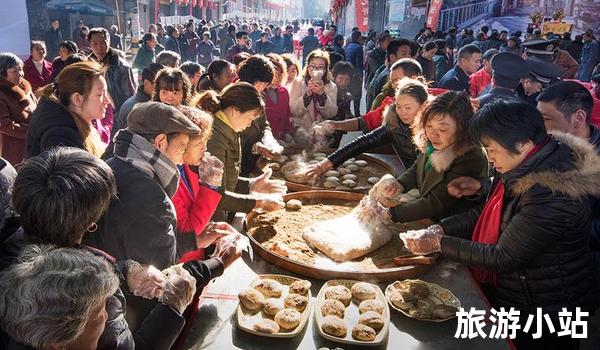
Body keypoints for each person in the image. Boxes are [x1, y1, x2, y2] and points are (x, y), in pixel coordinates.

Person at [403, 100, 599, 349]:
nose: (490, 157)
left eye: (492, 149)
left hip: (549, 309)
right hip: (518, 293)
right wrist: (442, 228)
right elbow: (488, 213)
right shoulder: (525, 163)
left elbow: (503, 256)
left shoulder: (552, 192)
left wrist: (440, 243)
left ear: (523, 144)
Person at [1, 147, 199, 349]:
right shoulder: (90, 299)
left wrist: (124, 270)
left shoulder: (9, 252)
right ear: (90, 223)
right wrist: (172, 306)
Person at [200, 83, 286, 222]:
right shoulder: (214, 137)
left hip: (218, 214)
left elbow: (225, 178)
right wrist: (258, 202)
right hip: (208, 219)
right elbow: (214, 193)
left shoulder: (228, 129)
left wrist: (251, 185)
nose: (251, 124)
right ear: (235, 110)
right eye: (251, 117)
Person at [309, 78, 429, 176]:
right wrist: (327, 163)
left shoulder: (433, 129)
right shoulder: (394, 124)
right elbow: (363, 142)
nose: (402, 112)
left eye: (408, 108)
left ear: (423, 106)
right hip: (411, 177)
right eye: (398, 106)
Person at [172, 106, 225, 257]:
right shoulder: (168, 181)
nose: (205, 148)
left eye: (206, 142)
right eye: (199, 144)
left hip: (196, 253)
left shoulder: (188, 167)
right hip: (182, 261)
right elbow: (189, 230)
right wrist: (210, 186)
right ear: (182, 144)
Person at [26, 61, 107, 158]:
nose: (107, 101)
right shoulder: (61, 139)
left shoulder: (71, 124)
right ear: (77, 99)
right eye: (100, 94)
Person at [104, 63, 164, 159]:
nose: (162, 89)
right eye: (158, 85)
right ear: (146, 83)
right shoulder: (134, 108)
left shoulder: (155, 101)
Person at [236, 56, 283, 176]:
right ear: (258, 83)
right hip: (236, 162)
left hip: (253, 161)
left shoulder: (258, 96)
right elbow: (233, 137)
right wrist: (257, 147)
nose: (265, 88)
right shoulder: (233, 98)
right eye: (265, 84)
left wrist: (269, 141)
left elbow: (264, 124)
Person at [289, 49, 338, 141]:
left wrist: (322, 94)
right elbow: (293, 111)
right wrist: (307, 93)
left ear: (325, 69)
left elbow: (331, 113)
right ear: (308, 68)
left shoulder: (331, 86)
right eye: (313, 66)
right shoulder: (298, 82)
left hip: (321, 134)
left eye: (321, 67)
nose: (316, 70)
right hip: (300, 132)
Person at [0, 53, 37, 166]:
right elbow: (5, 125)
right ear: (2, 73)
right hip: (14, 149)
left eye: (20, 69)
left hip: (34, 144)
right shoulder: (2, 93)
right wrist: (31, 130)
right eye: (14, 71)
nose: (20, 74)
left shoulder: (25, 88)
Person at [88, 27, 135, 113]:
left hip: (116, 115)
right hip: (93, 115)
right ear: (90, 45)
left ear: (109, 42)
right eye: (95, 43)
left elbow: (129, 97)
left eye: (103, 43)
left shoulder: (122, 67)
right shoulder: (86, 65)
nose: (99, 47)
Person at [367, 38, 414, 110]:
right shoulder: (388, 77)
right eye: (404, 54)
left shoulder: (391, 71)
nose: (409, 57)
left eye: (409, 53)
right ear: (392, 57)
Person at [345, 31, 364, 117]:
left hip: (348, 74)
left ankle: (348, 113)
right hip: (356, 76)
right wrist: (361, 77)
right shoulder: (358, 48)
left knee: (348, 95)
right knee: (357, 96)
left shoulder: (348, 47)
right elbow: (359, 64)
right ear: (358, 37)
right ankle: (357, 114)